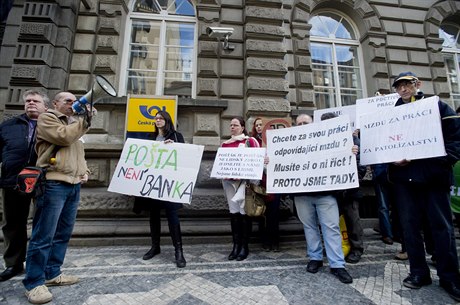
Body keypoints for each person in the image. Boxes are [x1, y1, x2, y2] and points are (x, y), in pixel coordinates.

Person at [388, 71, 460, 302]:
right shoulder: (391, 114)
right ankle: (419, 273)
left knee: (442, 228)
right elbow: (383, 145)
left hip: (433, 179)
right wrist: (391, 160)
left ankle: (450, 277)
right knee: (410, 230)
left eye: (407, 84)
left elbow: (455, 141)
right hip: (404, 180)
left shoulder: (437, 106)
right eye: (399, 86)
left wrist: (434, 161)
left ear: (417, 84)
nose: (403, 89)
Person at [22, 92, 93, 304]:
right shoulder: (48, 118)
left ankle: (52, 273)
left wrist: (85, 170)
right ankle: (34, 283)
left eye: (75, 101)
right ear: (55, 103)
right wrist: (85, 120)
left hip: (73, 185)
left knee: (62, 233)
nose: (73, 104)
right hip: (53, 183)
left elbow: (78, 152)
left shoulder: (74, 124)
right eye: (67, 101)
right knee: (43, 235)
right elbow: (63, 137)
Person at [293, 112, 354, 284]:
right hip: (302, 195)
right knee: (309, 227)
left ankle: (337, 265)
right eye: (299, 124)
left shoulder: (325, 140)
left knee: (331, 227)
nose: (303, 126)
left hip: (326, 193)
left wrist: (350, 151)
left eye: (306, 123)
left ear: (313, 125)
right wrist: (271, 162)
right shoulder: (290, 144)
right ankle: (315, 258)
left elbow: (341, 156)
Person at [0, 90, 49, 282]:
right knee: (13, 224)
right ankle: (13, 264)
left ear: (45, 106)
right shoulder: (8, 126)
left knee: (43, 224)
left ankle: (40, 265)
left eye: (36, 101)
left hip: (43, 181)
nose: (31, 103)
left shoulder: (52, 125)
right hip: (13, 181)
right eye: (28, 101)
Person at [132, 110, 187, 268]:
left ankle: (179, 251)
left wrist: (174, 147)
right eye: (156, 118)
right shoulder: (150, 137)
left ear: (167, 120)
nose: (158, 120)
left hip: (169, 183)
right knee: (153, 215)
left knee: (172, 215)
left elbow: (184, 156)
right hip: (153, 183)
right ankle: (155, 247)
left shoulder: (176, 136)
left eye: (161, 118)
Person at [221, 116, 260, 261]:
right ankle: (236, 245)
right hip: (229, 183)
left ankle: (244, 246)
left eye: (235, 125)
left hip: (244, 182)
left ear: (242, 128)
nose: (232, 127)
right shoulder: (225, 144)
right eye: (231, 125)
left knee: (244, 213)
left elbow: (258, 160)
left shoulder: (250, 141)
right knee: (234, 213)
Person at [334, 124, 365, 264]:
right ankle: (338, 247)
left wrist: (355, 178)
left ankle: (356, 249)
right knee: (335, 222)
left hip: (350, 189)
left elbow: (361, 162)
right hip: (333, 190)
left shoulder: (352, 140)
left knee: (353, 220)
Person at [251, 118, 281, 251]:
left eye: (261, 125)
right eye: (256, 125)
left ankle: (275, 241)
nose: (259, 127)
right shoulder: (252, 142)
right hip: (260, 183)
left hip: (274, 182)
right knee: (261, 213)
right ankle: (265, 240)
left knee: (274, 213)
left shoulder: (275, 142)